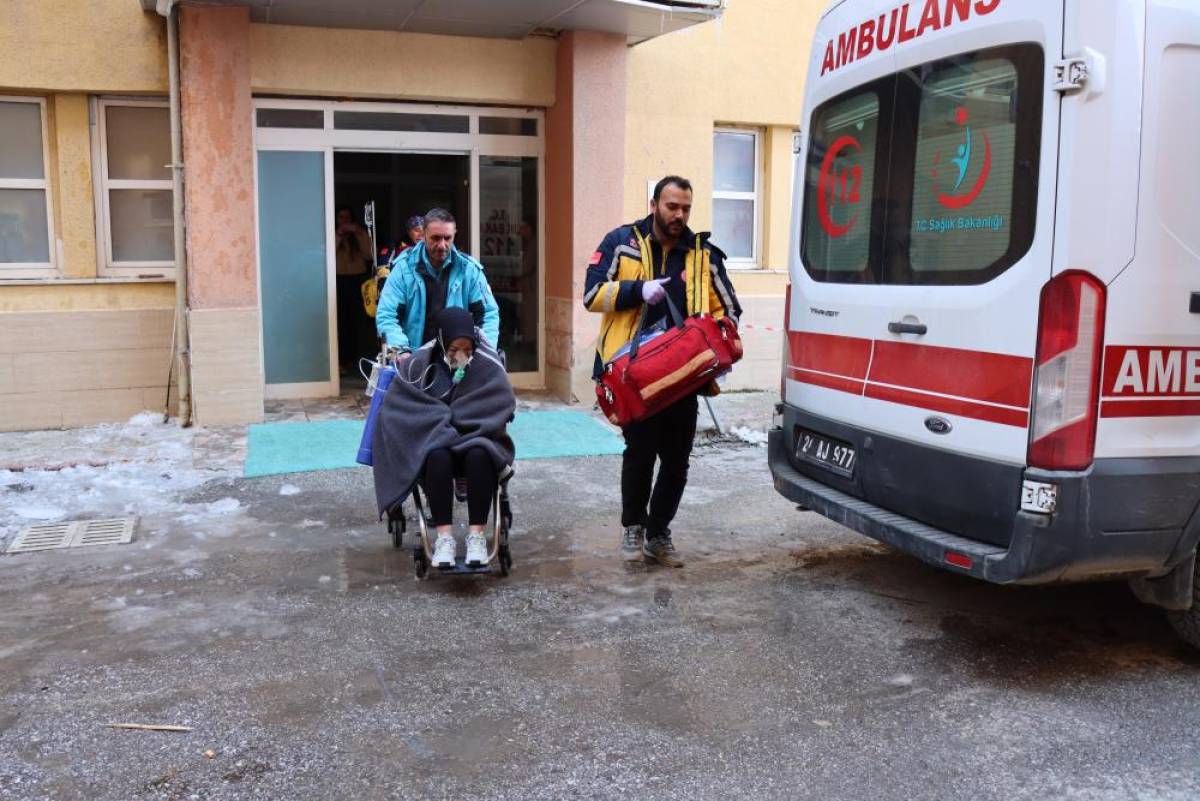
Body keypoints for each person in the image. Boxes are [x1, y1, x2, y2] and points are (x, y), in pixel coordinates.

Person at [582, 175, 742, 567]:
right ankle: (633, 527)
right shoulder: (622, 242)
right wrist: (638, 290)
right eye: (671, 206)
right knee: (640, 452)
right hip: (633, 374)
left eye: (685, 207)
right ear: (654, 204)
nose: (679, 214)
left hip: (683, 377)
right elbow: (591, 296)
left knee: (677, 459)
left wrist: (719, 351)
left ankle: (659, 533)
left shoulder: (704, 255)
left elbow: (729, 310)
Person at [371, 307, 516, 569]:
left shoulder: (488, 365)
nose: (461, 356)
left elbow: (501, 404)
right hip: (437, 442)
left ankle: (476, 537)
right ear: (441, 342)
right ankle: (444, 539)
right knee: (436, 456)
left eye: (467, 349)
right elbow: (397, 407)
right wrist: (440, 424)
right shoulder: (419, 365)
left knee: (480, 455)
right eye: (454, 350)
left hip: (478, 439)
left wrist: (462, 425)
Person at [376, 208, 500, 360]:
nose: (442, 245)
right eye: (435, 238)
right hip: (413, 359)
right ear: (423, 236)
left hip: (458, 359)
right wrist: (401, 351)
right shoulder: (403, 268)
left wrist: (483, 352)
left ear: (454, 234)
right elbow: (387, 315)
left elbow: (488, 315)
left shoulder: (469, 270)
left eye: (447, 238)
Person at [335, 207, 373, 372]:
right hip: (338, 279)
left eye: (348, 218)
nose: (344, 221)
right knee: (340, 321)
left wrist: (358, 232)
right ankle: (342, 360)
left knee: (357, 321)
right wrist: (339, 234)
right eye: (341, 217)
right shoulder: (333, 233)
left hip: (358, 279)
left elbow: (370, 255)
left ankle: (355, 360)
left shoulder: (358, 235)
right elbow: (326, 253)